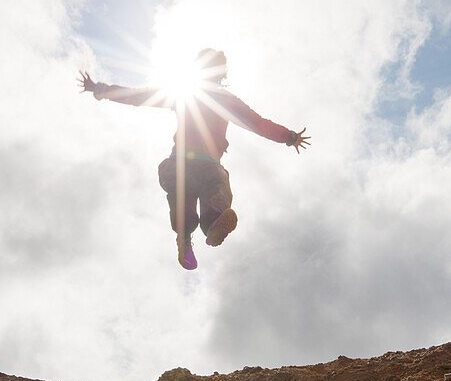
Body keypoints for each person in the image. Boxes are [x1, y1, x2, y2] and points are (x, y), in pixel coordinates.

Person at [78, 48, 310, 270]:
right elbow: (257, 123)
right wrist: (288, 137)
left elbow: (139, 96)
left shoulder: (186, 94)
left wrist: (101, 90)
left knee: (186, 197)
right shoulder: (222, 99)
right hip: (207, 166)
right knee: (214, 192)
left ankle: (191, 234)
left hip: (181, 165)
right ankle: (205, 229)